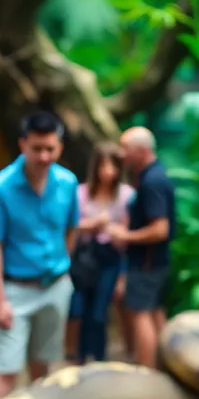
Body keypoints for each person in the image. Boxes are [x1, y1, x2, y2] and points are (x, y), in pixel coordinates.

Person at [0, 110, 80, 399]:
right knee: (6, 368)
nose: (45, 156)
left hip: (55, 285)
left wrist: (64, 267)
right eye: (37, 149)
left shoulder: (68, 182)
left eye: (50, 149)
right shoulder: (0, 188)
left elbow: (72, 228)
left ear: (59, 147)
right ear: (23, 144)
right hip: (15, 289)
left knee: (44, 363)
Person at [107, 126, 176, 368]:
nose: (121, 154)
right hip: (156, 263)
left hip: (146, 264)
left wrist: (126, 235)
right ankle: (167, 366)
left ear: (142, 150)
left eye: (126, 148)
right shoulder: (153, 176)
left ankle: (147, 372)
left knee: (141, 314)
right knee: (154, 313)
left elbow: (160, 229)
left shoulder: (152, 181)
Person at [66, 142, 134, 364]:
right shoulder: (80, 193)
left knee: (99, 312)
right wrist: (92, 225)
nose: (108, 171)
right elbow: (71, 225)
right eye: (103, 165)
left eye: (112, 165)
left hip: (111, 258)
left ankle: (99, 357)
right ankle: (81, 356)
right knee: (79, 309)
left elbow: (127, 231)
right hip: (85, 257)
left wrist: (117, 232)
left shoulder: (126, 195)